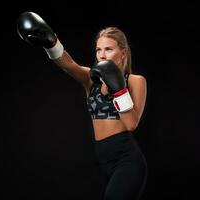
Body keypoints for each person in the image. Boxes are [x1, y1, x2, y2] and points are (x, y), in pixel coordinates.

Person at [17, 11, 148, 200]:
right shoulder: (91, 79)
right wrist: (51, 42)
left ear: (123, 52)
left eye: (108, 49)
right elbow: (68, 64)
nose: (102, 55)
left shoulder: (135, 81)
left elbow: (131, 124)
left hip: (126, 159)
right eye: (98, 50)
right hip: (102, 160)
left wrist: (118, 88)